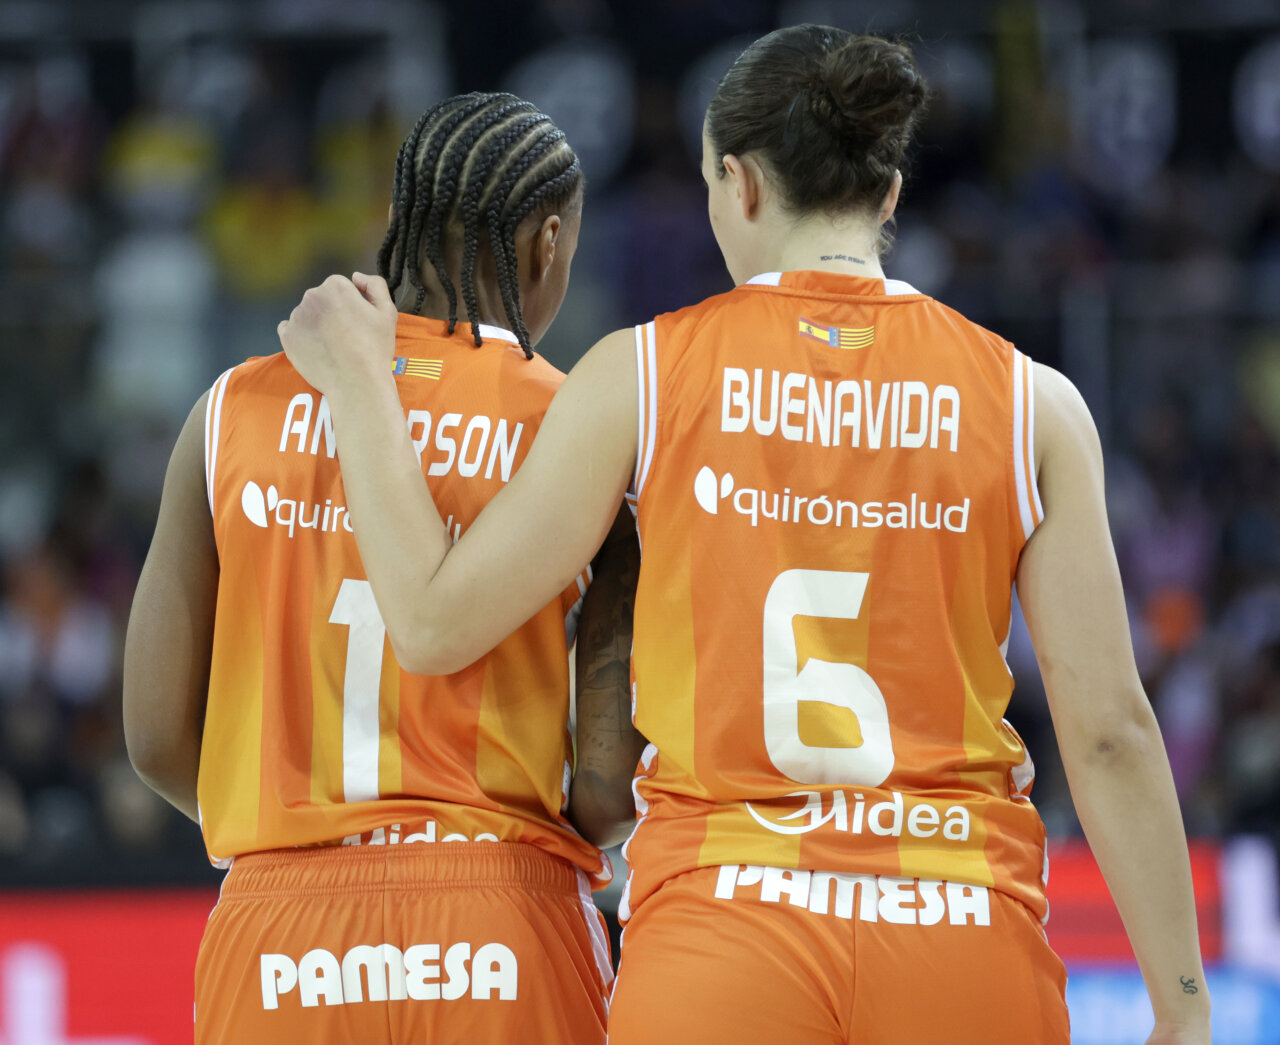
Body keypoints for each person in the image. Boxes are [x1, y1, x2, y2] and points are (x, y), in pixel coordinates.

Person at [277, 26, 1213, 1045]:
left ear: (740, 184)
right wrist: (1180, 1004)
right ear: (886, 194)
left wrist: (361, 381)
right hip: (957, 925)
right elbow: (1111, 734)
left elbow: (428, 622)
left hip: (722, 931)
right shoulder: (1031, 402)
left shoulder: (640, 374)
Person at [123, 91, 634, 1045]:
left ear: (397, 221)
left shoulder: (230, 409)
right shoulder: (576, 425)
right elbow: (606, 790)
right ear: (548, 242)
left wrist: (298, 823)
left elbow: (154, 736)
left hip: (280, 934)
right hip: (498, 915)